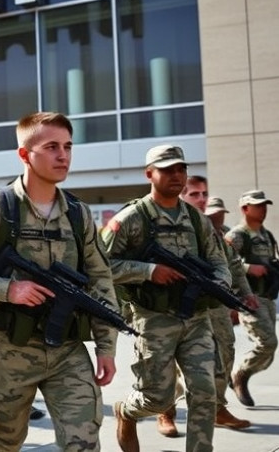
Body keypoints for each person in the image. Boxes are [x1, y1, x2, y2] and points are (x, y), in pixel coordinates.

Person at [0, 112, 118, 451]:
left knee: (84, 442)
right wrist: (8, 290)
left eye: (67, 146)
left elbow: (100, 279)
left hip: (67, 349)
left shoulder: (79, 215)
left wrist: (106, 346)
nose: (63, 155)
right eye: (51, 147)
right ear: (24, 155)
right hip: (8, 350)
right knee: (4, 442)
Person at [101, 144, 231, 452]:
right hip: (153, 319)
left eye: (181, 169)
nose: (177, 175)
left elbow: (219, 260)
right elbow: (101, 265)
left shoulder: (197, 220)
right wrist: (148, 271)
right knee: (157, 397)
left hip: (197, 319)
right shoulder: (131, 218)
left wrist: (219, 282)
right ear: (149, 174)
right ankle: (126, 411)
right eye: (168, 169)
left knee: (204, 392)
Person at [155, 179, 255, 435]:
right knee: (173, 360)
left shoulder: (212, 229)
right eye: (195, 194)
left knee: (224, 351)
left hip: (214, 302)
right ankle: (166, 411)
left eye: (205, 194)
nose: (202, 199)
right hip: (177, 304)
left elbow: (232, 263)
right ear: (182, 195)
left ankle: (217, 408)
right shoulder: (168, 226)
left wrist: (245, 294)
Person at [226, 189, 279, 408]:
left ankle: (242, 374)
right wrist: (248, 268)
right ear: (245, 208)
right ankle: (240, 374)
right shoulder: (237, 235)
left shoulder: (266, 235)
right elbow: (222, 261)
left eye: (265, 205)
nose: (263, 209)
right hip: (249, 298)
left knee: (269, 350)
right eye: (258, 205)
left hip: (267, 297)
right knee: (268, 342)